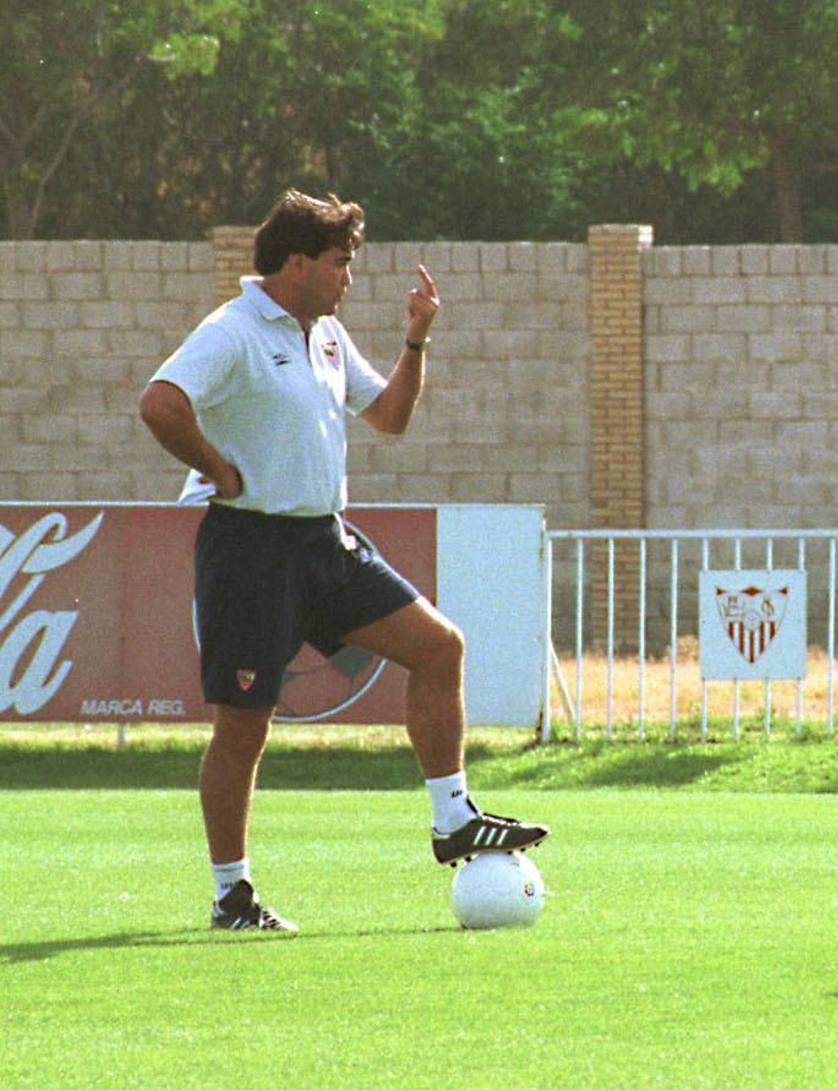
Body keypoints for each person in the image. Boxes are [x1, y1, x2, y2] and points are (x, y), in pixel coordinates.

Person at [139, 190, 548, 933]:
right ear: (296, 262)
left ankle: (453, 820)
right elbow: (160, 402)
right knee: (244, 730)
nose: (348, 279)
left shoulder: (322, 331)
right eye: (339, 263)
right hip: (251, 552)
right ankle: (232, 895)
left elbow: (388, 417)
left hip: (325, 543)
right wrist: (219, 471)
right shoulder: (231, 331)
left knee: (438, 646)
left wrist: (415, 342)